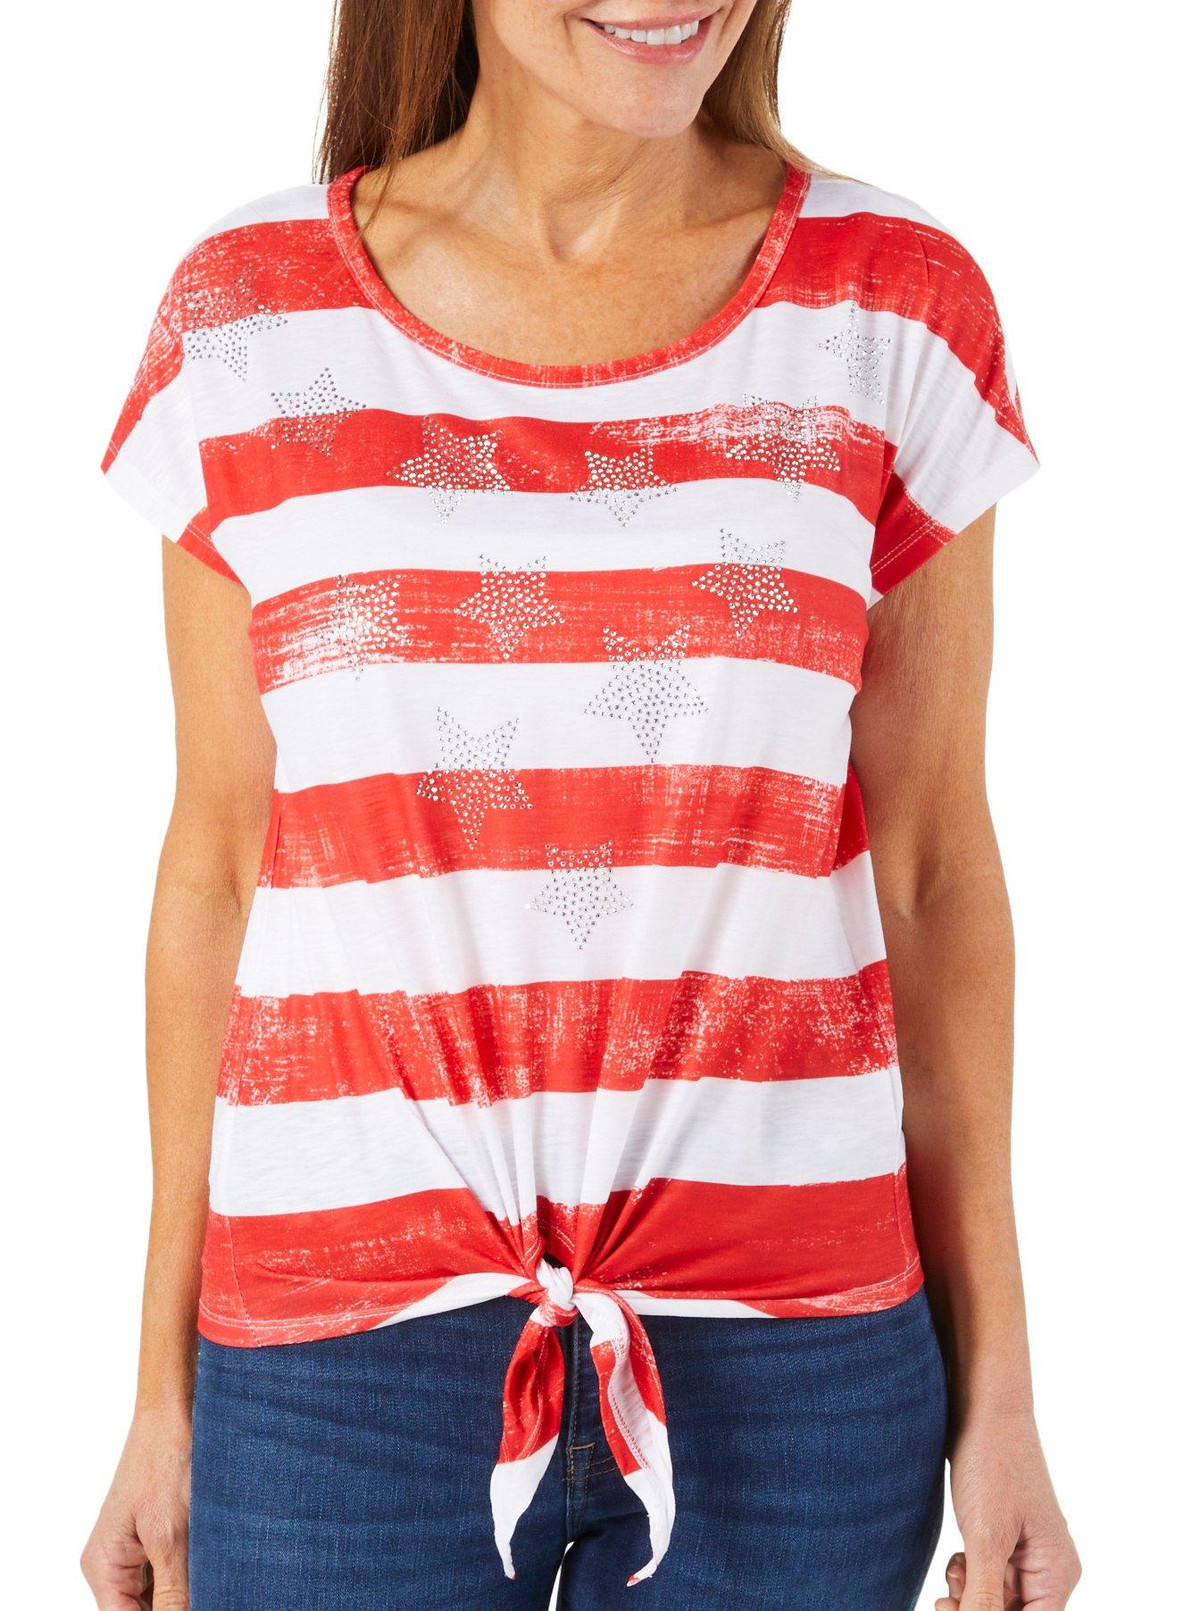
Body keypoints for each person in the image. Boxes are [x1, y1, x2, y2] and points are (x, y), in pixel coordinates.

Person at [82, 3, 1081, 1607]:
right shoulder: (249, 318)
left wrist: (1006, 1399)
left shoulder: (890, 305)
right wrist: (157, 1396)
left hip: (795, 1364)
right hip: (338, 1367)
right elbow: (220, 866)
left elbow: (936, 872)